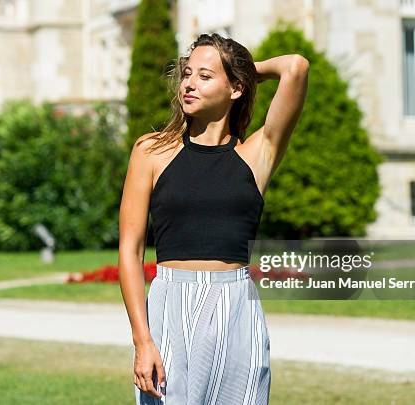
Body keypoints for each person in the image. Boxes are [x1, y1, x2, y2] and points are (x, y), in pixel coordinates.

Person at [119, 32, 309, 404]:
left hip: (236, 307)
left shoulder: (257, 154)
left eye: (204, 76)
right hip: (170, 305)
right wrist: (143, 342)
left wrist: (238, 69)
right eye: (187, 74)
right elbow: (130, 249)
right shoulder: (151, 151)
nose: (189, 84)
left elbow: (295, 67)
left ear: (236, 88)